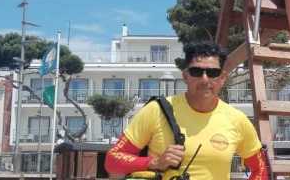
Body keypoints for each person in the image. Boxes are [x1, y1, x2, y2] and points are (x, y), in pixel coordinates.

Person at [104, 42, 268, 180]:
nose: (205, 79)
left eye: (213, 73)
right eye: (197, 72)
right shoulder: (156, 110)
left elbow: (260, 168)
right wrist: (154, 163)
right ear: (185, 76)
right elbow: (112, 159)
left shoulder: (237, 119)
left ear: (222, 78)